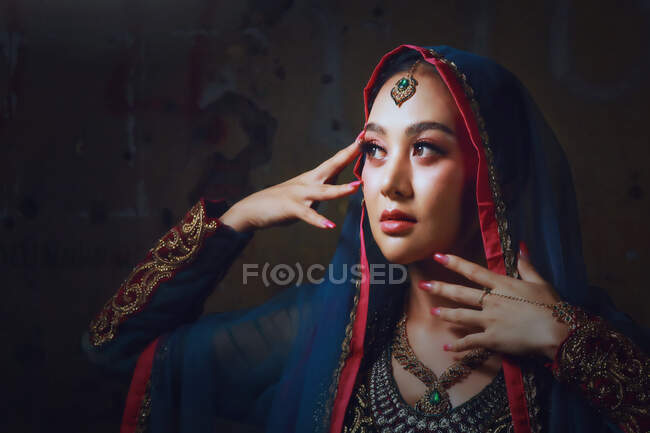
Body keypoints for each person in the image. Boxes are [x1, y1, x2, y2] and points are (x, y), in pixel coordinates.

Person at [82, 45, 649, 433]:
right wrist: (236, 220)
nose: (390, 185)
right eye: (375, 149)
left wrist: (568, 346)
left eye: (425, 147)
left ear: (496, 172)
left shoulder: (585, 345)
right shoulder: (320, 338)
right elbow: (114, 349)